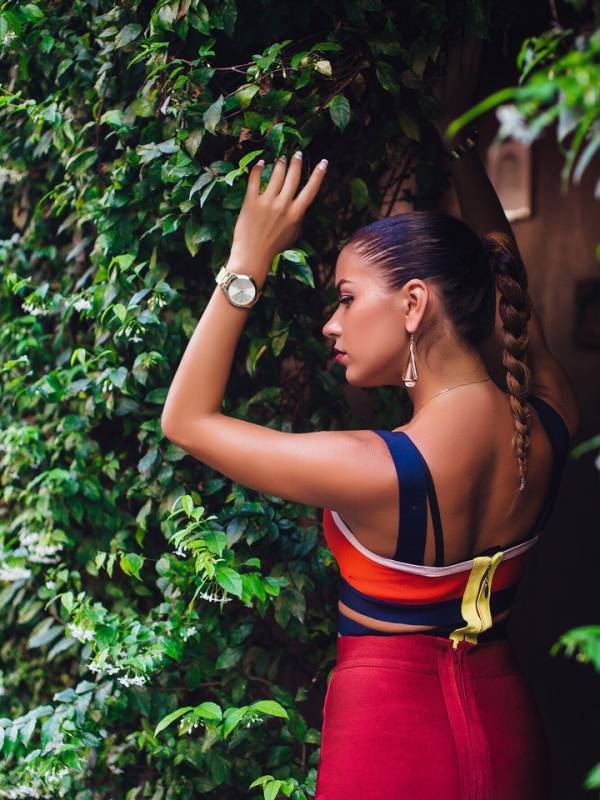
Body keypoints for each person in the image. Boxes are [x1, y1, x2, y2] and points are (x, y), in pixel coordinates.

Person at [161, 33, 580, 800]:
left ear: (415, 304)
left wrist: (247, 262)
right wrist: (455, 139)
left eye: (348, 299)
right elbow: (502, 262)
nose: (332, 323)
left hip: (390, 746)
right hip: (509, 735)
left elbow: (184, 420)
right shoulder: (552, 421)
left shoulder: (373, 468)